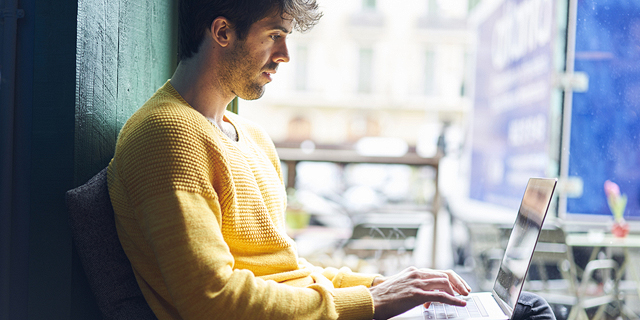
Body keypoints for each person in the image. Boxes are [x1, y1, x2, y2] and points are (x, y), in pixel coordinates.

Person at [106, 0, 557, 319]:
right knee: (529, 313)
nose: (284, 56)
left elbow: (290, 273)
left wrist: (389, 287)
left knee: (519, 306)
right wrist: (375, 304)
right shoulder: (167, 135)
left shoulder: (253, 138)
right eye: (275, 36)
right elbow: (213, 301)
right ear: (222, 32)